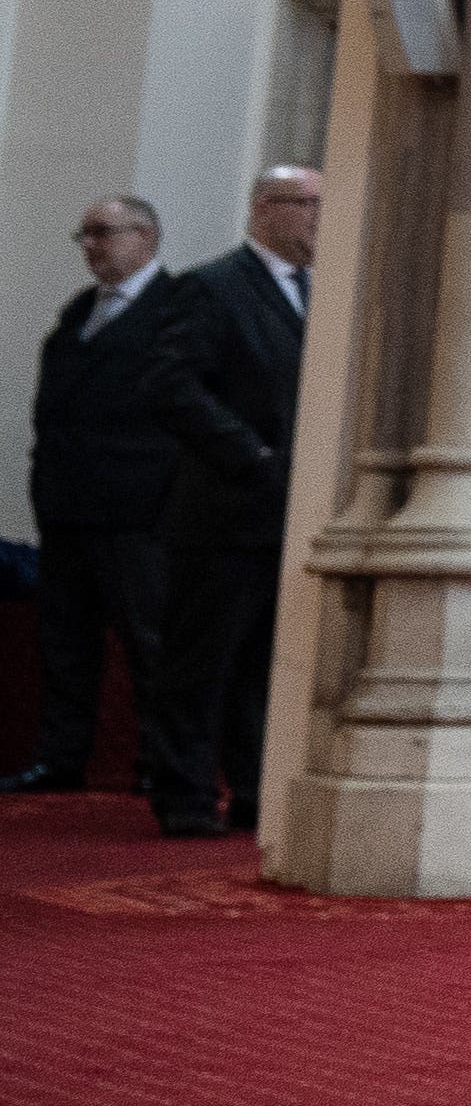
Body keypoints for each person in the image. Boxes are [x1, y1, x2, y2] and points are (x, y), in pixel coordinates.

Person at [139, 163, 317, 840]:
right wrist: (253, 456)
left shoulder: (317, 292)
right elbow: (171, 386)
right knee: (199, 663)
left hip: (287, 516)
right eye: (308, 204)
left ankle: (251, 790)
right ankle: (183, 794)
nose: (319, 220)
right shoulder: (211, 289)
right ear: (266, 208)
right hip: (224, 510)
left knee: (264, 666)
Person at [16, 197, 186, 801]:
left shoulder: (176, 310)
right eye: (83, 234)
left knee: (149, 642)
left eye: (102, 233)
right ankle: (61, 758)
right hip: (67, 506)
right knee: (65, 642)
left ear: (145, 236)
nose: (90, 245)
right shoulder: (79, 312)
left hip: (137, 511)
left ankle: (157, 762)